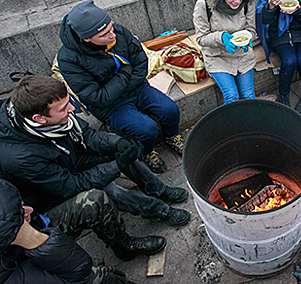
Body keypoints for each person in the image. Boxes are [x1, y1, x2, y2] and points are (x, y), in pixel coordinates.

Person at [0, 75, 190, 229]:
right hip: (55, 186)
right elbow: (73, 185)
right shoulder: (21, 158)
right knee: (111, 190)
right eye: (64, 108)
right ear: (39, 119)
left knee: (123, 153)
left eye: (68, 102)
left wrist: (117, 142)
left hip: (70, 156)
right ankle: (159, 211)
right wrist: (116, 167)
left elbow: (88, 135)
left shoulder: (37, 110)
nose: (73, 109)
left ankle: (158, 190)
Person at [56, 0, 183, 173]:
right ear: (86, 38)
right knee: (147, 129)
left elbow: (140, 63)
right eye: (104, 34)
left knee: (170, 109)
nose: (113, 35)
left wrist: (124, 80)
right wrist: (125, 72)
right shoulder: (68, 59)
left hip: (137, 88)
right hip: (110, 106)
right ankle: (146, 152)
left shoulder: (118, 31)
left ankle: (171, 136)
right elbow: (98, 98)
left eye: (111, 28)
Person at [0, 179, 137, 284]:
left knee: (93, 201)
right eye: (21, 215)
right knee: (96, 276)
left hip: (32, 230)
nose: (29, 209)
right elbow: (80, 271)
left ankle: (125, 247)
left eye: (22, 206)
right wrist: (32, 238)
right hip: (23, 259)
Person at [193, 0, 258, 104]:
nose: (237, 1)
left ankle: (253, 125)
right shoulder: (204, 5)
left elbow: (252, 29)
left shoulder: (248, 1)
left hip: (242, 55)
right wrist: (221, 37)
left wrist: (249, 36)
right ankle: (232, 126)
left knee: (249, 95)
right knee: (231, 96)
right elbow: (201, 38)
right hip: (217, 57)